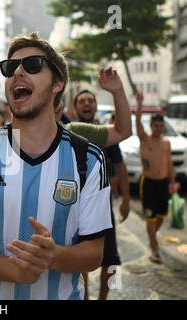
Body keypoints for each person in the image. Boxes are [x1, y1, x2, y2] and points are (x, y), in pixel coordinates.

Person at [0, 32, 112, 300]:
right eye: (10, 68)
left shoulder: (88, 159)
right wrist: (19, 271)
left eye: (32, 65)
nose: (18, 72)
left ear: (58, 83)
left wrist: (54, 255)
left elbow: (94, 252)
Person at [70, 76, 130, 300]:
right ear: (74, 109)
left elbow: (121, 167)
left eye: (90, 100)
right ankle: (84, 297)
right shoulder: (69, 131)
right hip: (74, 207)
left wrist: (126, 199)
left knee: (112, 260)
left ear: (95, 107)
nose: (86, 104)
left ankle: (104, 298)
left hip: (104, 207)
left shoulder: (105, 134)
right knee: (78, 257)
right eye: (81, 101)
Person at [135, 90, 177, 264]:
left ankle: (152, 237)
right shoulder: (145, 139)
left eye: (161, 126)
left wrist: (173, 183)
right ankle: (154, 249)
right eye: (156, 126)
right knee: (151, 217)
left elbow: (169, 164)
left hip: (163, 183)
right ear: (151, 126)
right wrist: (139, 104)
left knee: (160, 217)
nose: (159, 128)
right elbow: (137, 122)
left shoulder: (166, 143)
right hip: (149, 184)